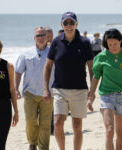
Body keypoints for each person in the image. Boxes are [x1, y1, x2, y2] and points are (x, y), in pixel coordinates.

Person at [43, 12, 93, 150]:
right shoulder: (55, 42)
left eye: (72, 23)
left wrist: (92, 91)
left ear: (76, 24)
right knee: (58, 123)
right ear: (61, 25)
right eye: (66, 23)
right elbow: (48, 66)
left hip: (80, 90)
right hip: (60, 89)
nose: (69, 26)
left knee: (77, 126)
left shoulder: (85, 42)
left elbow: (91, 67)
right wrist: (46, 88)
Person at [87, 28, 122, 150]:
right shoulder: (101, 57)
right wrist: (90, 97)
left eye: (115, 44)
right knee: (110, 131)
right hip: (106, 96)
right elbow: (95, 78)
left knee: (120, 133)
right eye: (109, 44)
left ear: (120, 41)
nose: (112, 47)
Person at [15, 27, 53, 150]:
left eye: (43, 35)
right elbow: (18, 72)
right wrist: (16, 88)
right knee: (30, 120)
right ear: (34, 38)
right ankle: (32, 143)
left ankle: (43, 147)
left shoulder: (53, 52)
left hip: (48, 93)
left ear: (47, 37)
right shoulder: (25, 53)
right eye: (38, 35)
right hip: (30, 93)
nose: (41, 37)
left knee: (45, 123)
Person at [0, 38, 18, 150]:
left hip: (4, 108)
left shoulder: (8, 66)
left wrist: (16, 112)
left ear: (0, 50)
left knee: (0, 145)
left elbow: (12, 90)